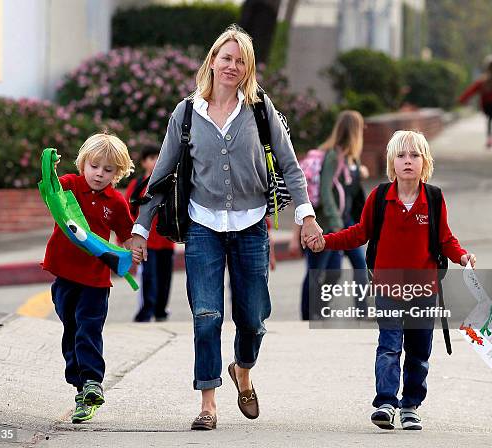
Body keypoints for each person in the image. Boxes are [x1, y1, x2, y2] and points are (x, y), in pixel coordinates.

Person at [130, 24, 322, 430]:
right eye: (226, 58)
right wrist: (141, 231)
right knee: (206, 314)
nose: (232, 66)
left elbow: (289, 166)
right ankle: (208, 401)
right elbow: (160, 177)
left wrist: (306, 216)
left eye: (241, 61)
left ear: (248, 68)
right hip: (203, 226)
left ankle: (243, 368)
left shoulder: (259, 109)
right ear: (212, 61)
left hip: (252, 226)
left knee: (253, 317)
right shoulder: (186, 113)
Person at [306, 130, 476, 431]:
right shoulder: (380, 198)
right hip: (388, 287)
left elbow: (446, 239)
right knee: (388, 346)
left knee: (419, 351)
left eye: (414, 155)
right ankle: (385, 402)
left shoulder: (434, 198)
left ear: (425, 162)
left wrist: (461, 256)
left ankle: (410, 405)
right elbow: (359, 233)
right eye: (401, 156)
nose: (408, 161)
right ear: (391, 163)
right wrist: (325, 242)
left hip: (424, 289)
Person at [42, 133, 135, 423]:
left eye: (108, 170)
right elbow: (52, 190)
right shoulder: (70, 185)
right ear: (84, 164)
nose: (99, 174)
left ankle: (92, 382)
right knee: (71, 328)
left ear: (117, 174)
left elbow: (126, 233)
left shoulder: (116, 203)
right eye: (95, 166)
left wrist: (133, 248)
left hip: (95, 280)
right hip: (64, 275)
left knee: (88, 328)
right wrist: (50, 167)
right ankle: (80, 383)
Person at [291, 110, 369, 320]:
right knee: (318, 271)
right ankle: (309, 314)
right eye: (360, 127)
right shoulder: (333, 156)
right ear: (353, 130)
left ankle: (362, 311)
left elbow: (350, 193)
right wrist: (335, 223)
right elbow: (325, 191)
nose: (363, 131)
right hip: (327, 223)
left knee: (356, 266)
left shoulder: (352, 158)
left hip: (346, 222)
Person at [125, 146, 174, 322]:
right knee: (148, 277)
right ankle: (146, 312)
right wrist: (127, 237)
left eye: (158, 157)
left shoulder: (169, 183)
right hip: (146, 243)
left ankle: (161, 310)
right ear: (144, 162)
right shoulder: (137, 185)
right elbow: (127, 211)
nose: (155, 162)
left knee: (165, 278)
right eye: (151, 158)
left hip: (166, 242)